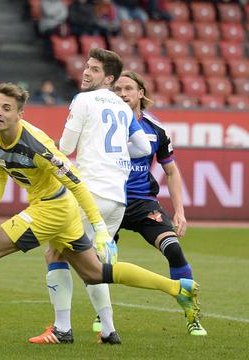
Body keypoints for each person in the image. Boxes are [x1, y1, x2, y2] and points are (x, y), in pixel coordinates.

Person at [0, 82, 200, 345]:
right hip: (57, 210)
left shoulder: (38, 147)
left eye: (6, 108)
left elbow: (76, 183)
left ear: (20, 115)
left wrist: (100, 228)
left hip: (51, 209)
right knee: (96, 272)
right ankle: (178, 289)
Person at [29, 48, 151, 345]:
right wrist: (117, 156)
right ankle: (108, 330)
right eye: (86, 66)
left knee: (54, 252)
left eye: (94, 69)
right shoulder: (123, 107)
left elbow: (67, 146)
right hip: (116, 198)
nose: (86, 71)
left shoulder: (83, 100)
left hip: (90, 192)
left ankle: (61, 329)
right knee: (92, 264)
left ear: (108, 78)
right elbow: (144, 148)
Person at [113, 71, 207, 336]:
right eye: (117, 89)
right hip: (110, 202)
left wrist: (180, 211)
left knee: (174, 250)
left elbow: (172, 172)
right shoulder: (104, 126)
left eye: (128, 88)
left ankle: (191, 314)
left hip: (143, 203)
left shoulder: (156, 130)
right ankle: (103, 318)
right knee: (101, 261)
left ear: (141, 92)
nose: (122, 94)